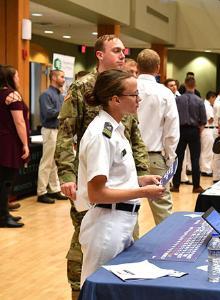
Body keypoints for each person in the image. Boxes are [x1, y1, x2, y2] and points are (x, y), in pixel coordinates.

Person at [55, 34, 151, 299]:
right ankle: (79, 292)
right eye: (117, 50)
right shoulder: (83, 89)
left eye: (124, 51)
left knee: (121, 263)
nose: (122, 55)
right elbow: (65, 132)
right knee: (86, 255)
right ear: (100, 54)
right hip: (95, 182)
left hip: (119, 187)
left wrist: (140, 176)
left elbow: (135, 138)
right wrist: (66, 174)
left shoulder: (125, 90)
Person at [78, 69, 164, 285]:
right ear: (115, 99)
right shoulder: (101, 134)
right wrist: (143, 192)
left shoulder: (115, 129)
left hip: (121, 220)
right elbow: (96, 192)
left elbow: (113, 179)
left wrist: (140, 181)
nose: (139, 99)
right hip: (107, 225)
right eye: (134, 95)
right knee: (100, 289)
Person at [136, 49, 180, 224]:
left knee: (126, 207)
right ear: (158, 68)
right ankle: (167, 247)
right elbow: (171, 130)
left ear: (137, 67)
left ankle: (128, 249)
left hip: (127, 157)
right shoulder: (165, 93)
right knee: (162, 208)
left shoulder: (126, 87)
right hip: (154, 156)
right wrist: (170, 156)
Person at [0, 65, 29, 228]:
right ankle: (3, 217)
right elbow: (19, 122)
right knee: (6, 181)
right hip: (9, 143)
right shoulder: (12, 95)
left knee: (2, 180)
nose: (19, 79)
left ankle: (4, 212)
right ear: (10, 78)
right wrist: (25, 144)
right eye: (17, 76)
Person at [36, 69, 68, 204]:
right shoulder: (46, 95)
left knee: (55, 162)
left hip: (58, 130)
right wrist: (65, 107)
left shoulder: (60, 95)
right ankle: (41, 192)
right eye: (61, 77)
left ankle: (54, 189)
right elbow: (49, 113)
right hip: (49, 130)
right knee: (46, 162)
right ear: (54, 78)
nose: (64, 79)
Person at [172, 77, 207, 193]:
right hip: (194, 130)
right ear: (195, 85)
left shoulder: (178, 100)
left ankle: (176, 185)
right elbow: (203, 120)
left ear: (185, 85)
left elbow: (174, 117)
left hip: (180, 130)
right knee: (195, 159)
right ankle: (196, 186)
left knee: (179, 158)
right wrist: (198, 132)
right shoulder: (199, 101)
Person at [200, 91, 216, 176]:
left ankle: (205, 168)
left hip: (206, 130)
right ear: (212, 97)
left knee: (205, 150)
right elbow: (210, 119)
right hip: (207, 129)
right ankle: (206, 169)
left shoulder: (205, 104)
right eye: (214, 98)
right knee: (207, 151)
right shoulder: (207, 106)